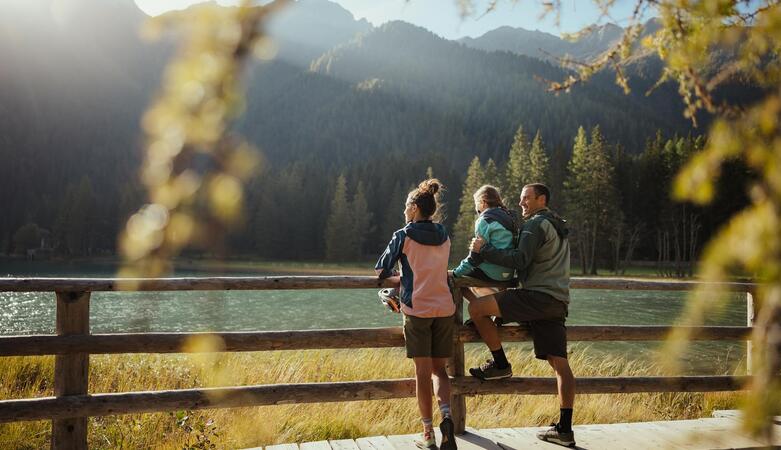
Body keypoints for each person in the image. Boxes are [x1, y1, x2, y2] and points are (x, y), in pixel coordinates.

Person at [466, 183, 576, 447]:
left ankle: (500, 364)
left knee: (476, 309)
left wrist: (484, 250)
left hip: (535, 298)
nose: (522, 203)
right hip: (557, 300)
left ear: (542, 198)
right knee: (560, 364)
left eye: (527, 198)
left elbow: (519, 260)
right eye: (520, 198)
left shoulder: (535, 225)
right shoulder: (557, 225)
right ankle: (564, 429)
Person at [375, 178, 457, 450]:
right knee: (440, 371)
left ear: (413, 208)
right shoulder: (444, 233)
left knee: (422, 374)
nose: (404, 210)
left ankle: (427, 433)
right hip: (444, 308)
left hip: (417, 309)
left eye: (405, 206)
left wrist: (399, 282)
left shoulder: (403, 235)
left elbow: (381, 272)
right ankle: (447, 416)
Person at [451, 185, 517, 301]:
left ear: (483, 202)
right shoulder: (510, 217)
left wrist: (456, 273)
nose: (476, 207)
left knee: (457, 281)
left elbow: (475, 257)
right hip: (509, 272)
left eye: (476, 203)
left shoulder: (484, 220)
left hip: (493, 273)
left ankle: (477, 306)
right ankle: (494, 310)